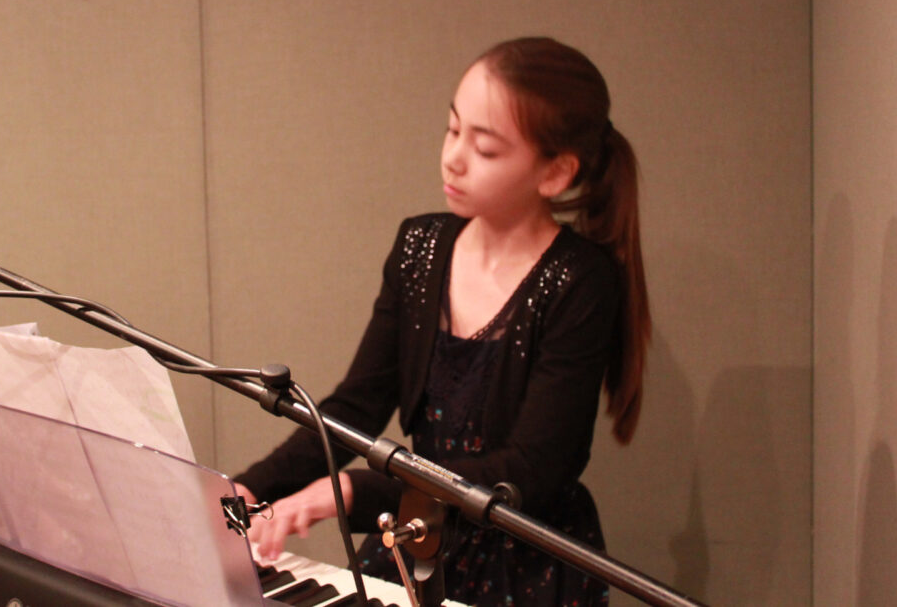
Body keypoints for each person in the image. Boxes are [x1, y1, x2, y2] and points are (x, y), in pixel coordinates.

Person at [234, 36, 651, 607]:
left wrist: (354, 489)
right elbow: (356, 405)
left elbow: (534, 466)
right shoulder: (421, 246)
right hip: (417, 533)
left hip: (523, 560)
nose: (453, 157)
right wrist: (251, 488)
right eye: (453, 130)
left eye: (484, 148)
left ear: (554, 173)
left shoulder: (579, 281)